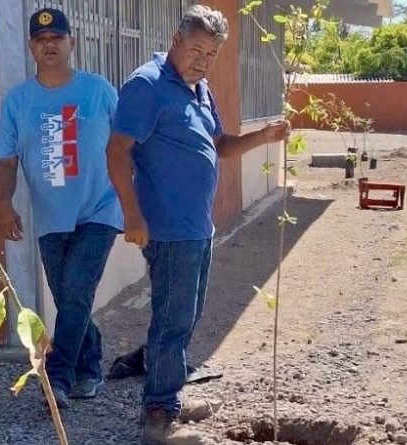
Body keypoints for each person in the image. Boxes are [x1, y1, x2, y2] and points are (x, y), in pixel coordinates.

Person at [105, 5, 290, 444]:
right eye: (196, 49)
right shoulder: (148, 85)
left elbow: (220, 144)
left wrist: (263, 137)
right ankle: (158, 418)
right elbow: (117, 151)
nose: (202, 60)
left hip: (197, 227)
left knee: (186, 316)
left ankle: (168, 394)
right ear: (175, 40)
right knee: (172, 320)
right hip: (167, 229)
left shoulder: (199, 90)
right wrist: (132, 214)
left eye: (211, 54)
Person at [0, 7, 122, 409]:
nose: (49, 45)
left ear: (72, 42)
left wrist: (138, 201)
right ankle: (90, 366)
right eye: (41, 40)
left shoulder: (99, 90)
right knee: (70, 298)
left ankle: (57, 379)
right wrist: (3, 202)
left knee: (76, 293)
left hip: (100, 209)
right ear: (31, 47)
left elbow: (125, 146)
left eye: (57, 39)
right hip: (50, 217)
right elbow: (6, 161)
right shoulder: (17, 101)